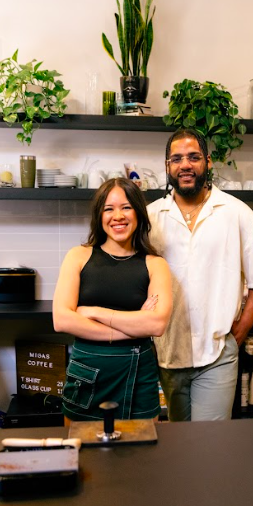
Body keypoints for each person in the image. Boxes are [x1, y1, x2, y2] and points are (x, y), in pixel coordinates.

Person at [147, 128, 253, 421]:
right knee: (177, 441)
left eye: (194, 157)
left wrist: (241, 331)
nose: (185, 165)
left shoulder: (237, 213)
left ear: (207, 161)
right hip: (167, 352)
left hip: (217, 353)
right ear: (167, 166)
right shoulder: (150, 217)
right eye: (177, 159)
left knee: (210, 443)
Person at [53, 177, 172, 422]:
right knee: (81, 453)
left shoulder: (155, 264)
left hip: (139, 372)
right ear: (100, 215)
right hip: (86, 372)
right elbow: (62, 320)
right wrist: (133, 327)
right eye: (109, 209)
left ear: (138, 213)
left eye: (126, 207)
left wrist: (94, 312)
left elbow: (157, 324)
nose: (117, 216)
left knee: (142, 454)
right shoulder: (78, 256)